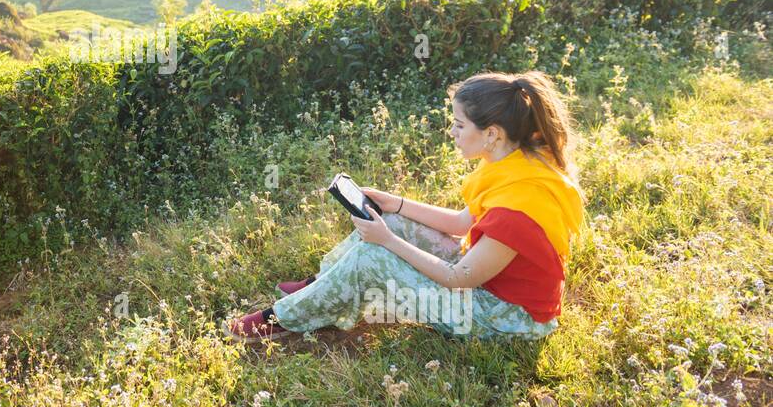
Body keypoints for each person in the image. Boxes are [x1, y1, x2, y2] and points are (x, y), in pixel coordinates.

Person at [227, 70, 586, 343]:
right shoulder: (511, 163)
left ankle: (280, 319)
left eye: (459, 125)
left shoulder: (517, 207)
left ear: (491, 133)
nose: (452, 132)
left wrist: (386, 241)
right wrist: (395, 204)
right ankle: (325, 285)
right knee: (392, 221)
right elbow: (463, 223)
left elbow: (459, 279)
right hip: (490, 285)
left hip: (507, 318)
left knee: (374, 253)